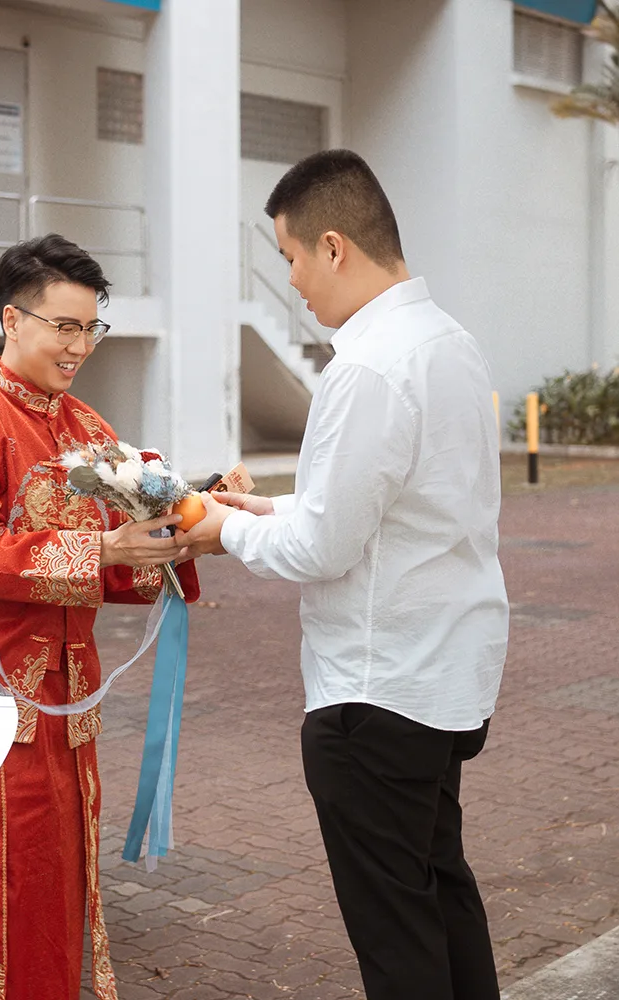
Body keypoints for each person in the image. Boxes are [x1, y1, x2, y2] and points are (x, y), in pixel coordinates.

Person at [180, 150, 508, 1000]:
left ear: (333, 247)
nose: (290, 278)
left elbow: (324, 549)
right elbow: (397, 507)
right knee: (441, 891)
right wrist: (266, 511)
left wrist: (220, 534)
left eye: (288, 255)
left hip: (376, 691)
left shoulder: (365, 368)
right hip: (443, 678)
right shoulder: (449, 342)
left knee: (397, 935)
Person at [0, 234, 201, 1000]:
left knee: (64, 895)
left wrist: (193, 529)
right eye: (64, 326)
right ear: (13, 319)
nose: (78, 346)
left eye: (91, 328)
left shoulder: (90, 433)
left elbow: (122, 567)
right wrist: (105, 546)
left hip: (66, 715)